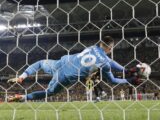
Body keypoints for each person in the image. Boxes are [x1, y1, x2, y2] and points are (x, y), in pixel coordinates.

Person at [7, 36, 142, 102]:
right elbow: (112, 79)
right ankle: (23, 97)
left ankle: (22, 77)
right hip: (65, 77)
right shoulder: (105, 63)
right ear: (110, 48)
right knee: (49, 92)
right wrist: (129, 78)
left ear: (100, 43)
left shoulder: (92, 47)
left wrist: (126, 70)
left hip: (62, 62)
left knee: (40, 63)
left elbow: (111, 62)